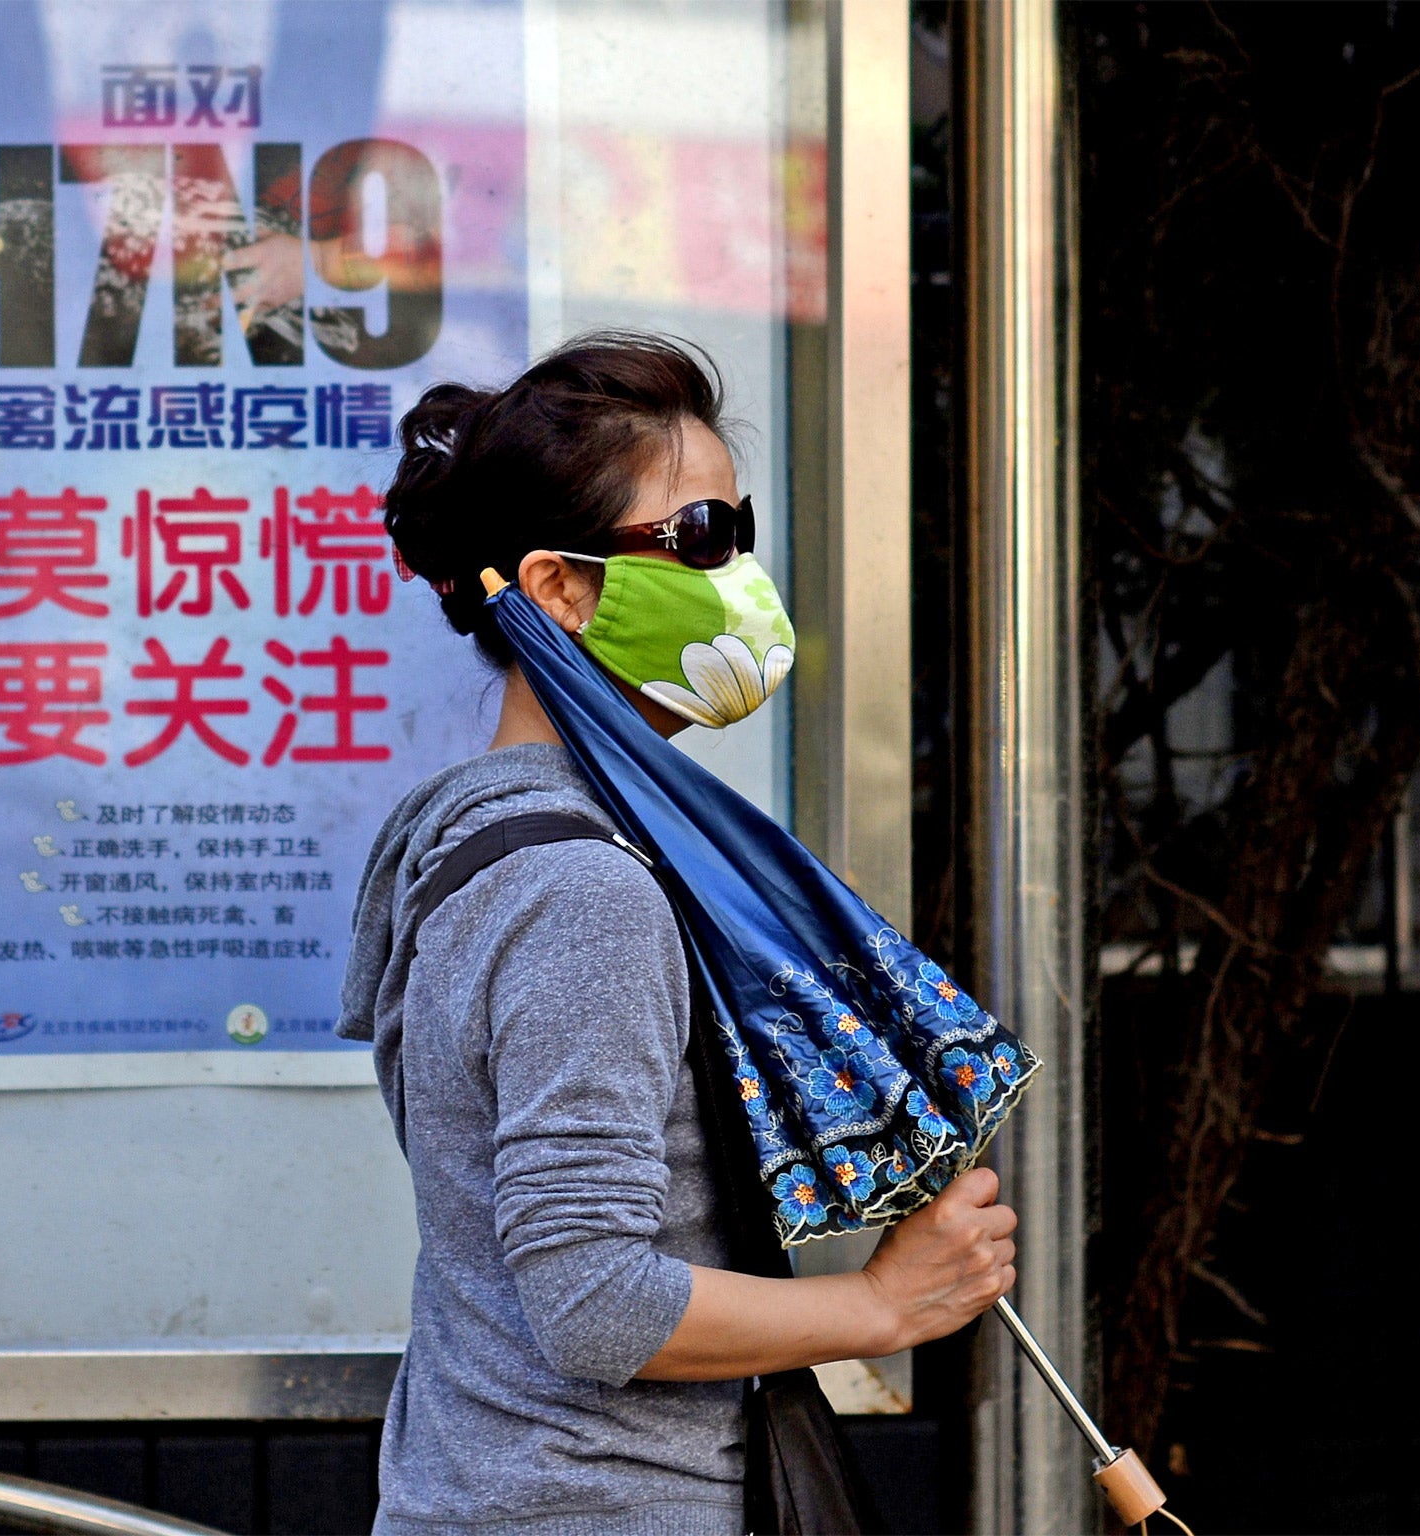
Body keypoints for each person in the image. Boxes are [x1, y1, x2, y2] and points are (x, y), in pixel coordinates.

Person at [339, 333, 1018, 1536]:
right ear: (559, 589)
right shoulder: (576, 892)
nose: (739, 573)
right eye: (701, 538)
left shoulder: (488, 853)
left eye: (737, 531)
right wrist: (883, 1307)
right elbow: (594, 1302)